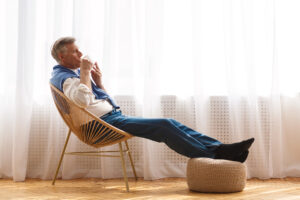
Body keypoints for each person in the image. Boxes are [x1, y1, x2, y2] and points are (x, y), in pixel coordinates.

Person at [50, 37, 254, 162]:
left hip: (109, 118)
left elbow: (93, 101)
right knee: (164, 126)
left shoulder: (72, 75)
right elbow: (83, 102)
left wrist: (99, 82)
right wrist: (85, 71)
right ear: (62, 57)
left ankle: (220, 149)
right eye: (75, 51)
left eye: (79, 49)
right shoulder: (66, 78)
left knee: (169, 123)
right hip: (101, 125)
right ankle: (214, 156)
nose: (81, 53)